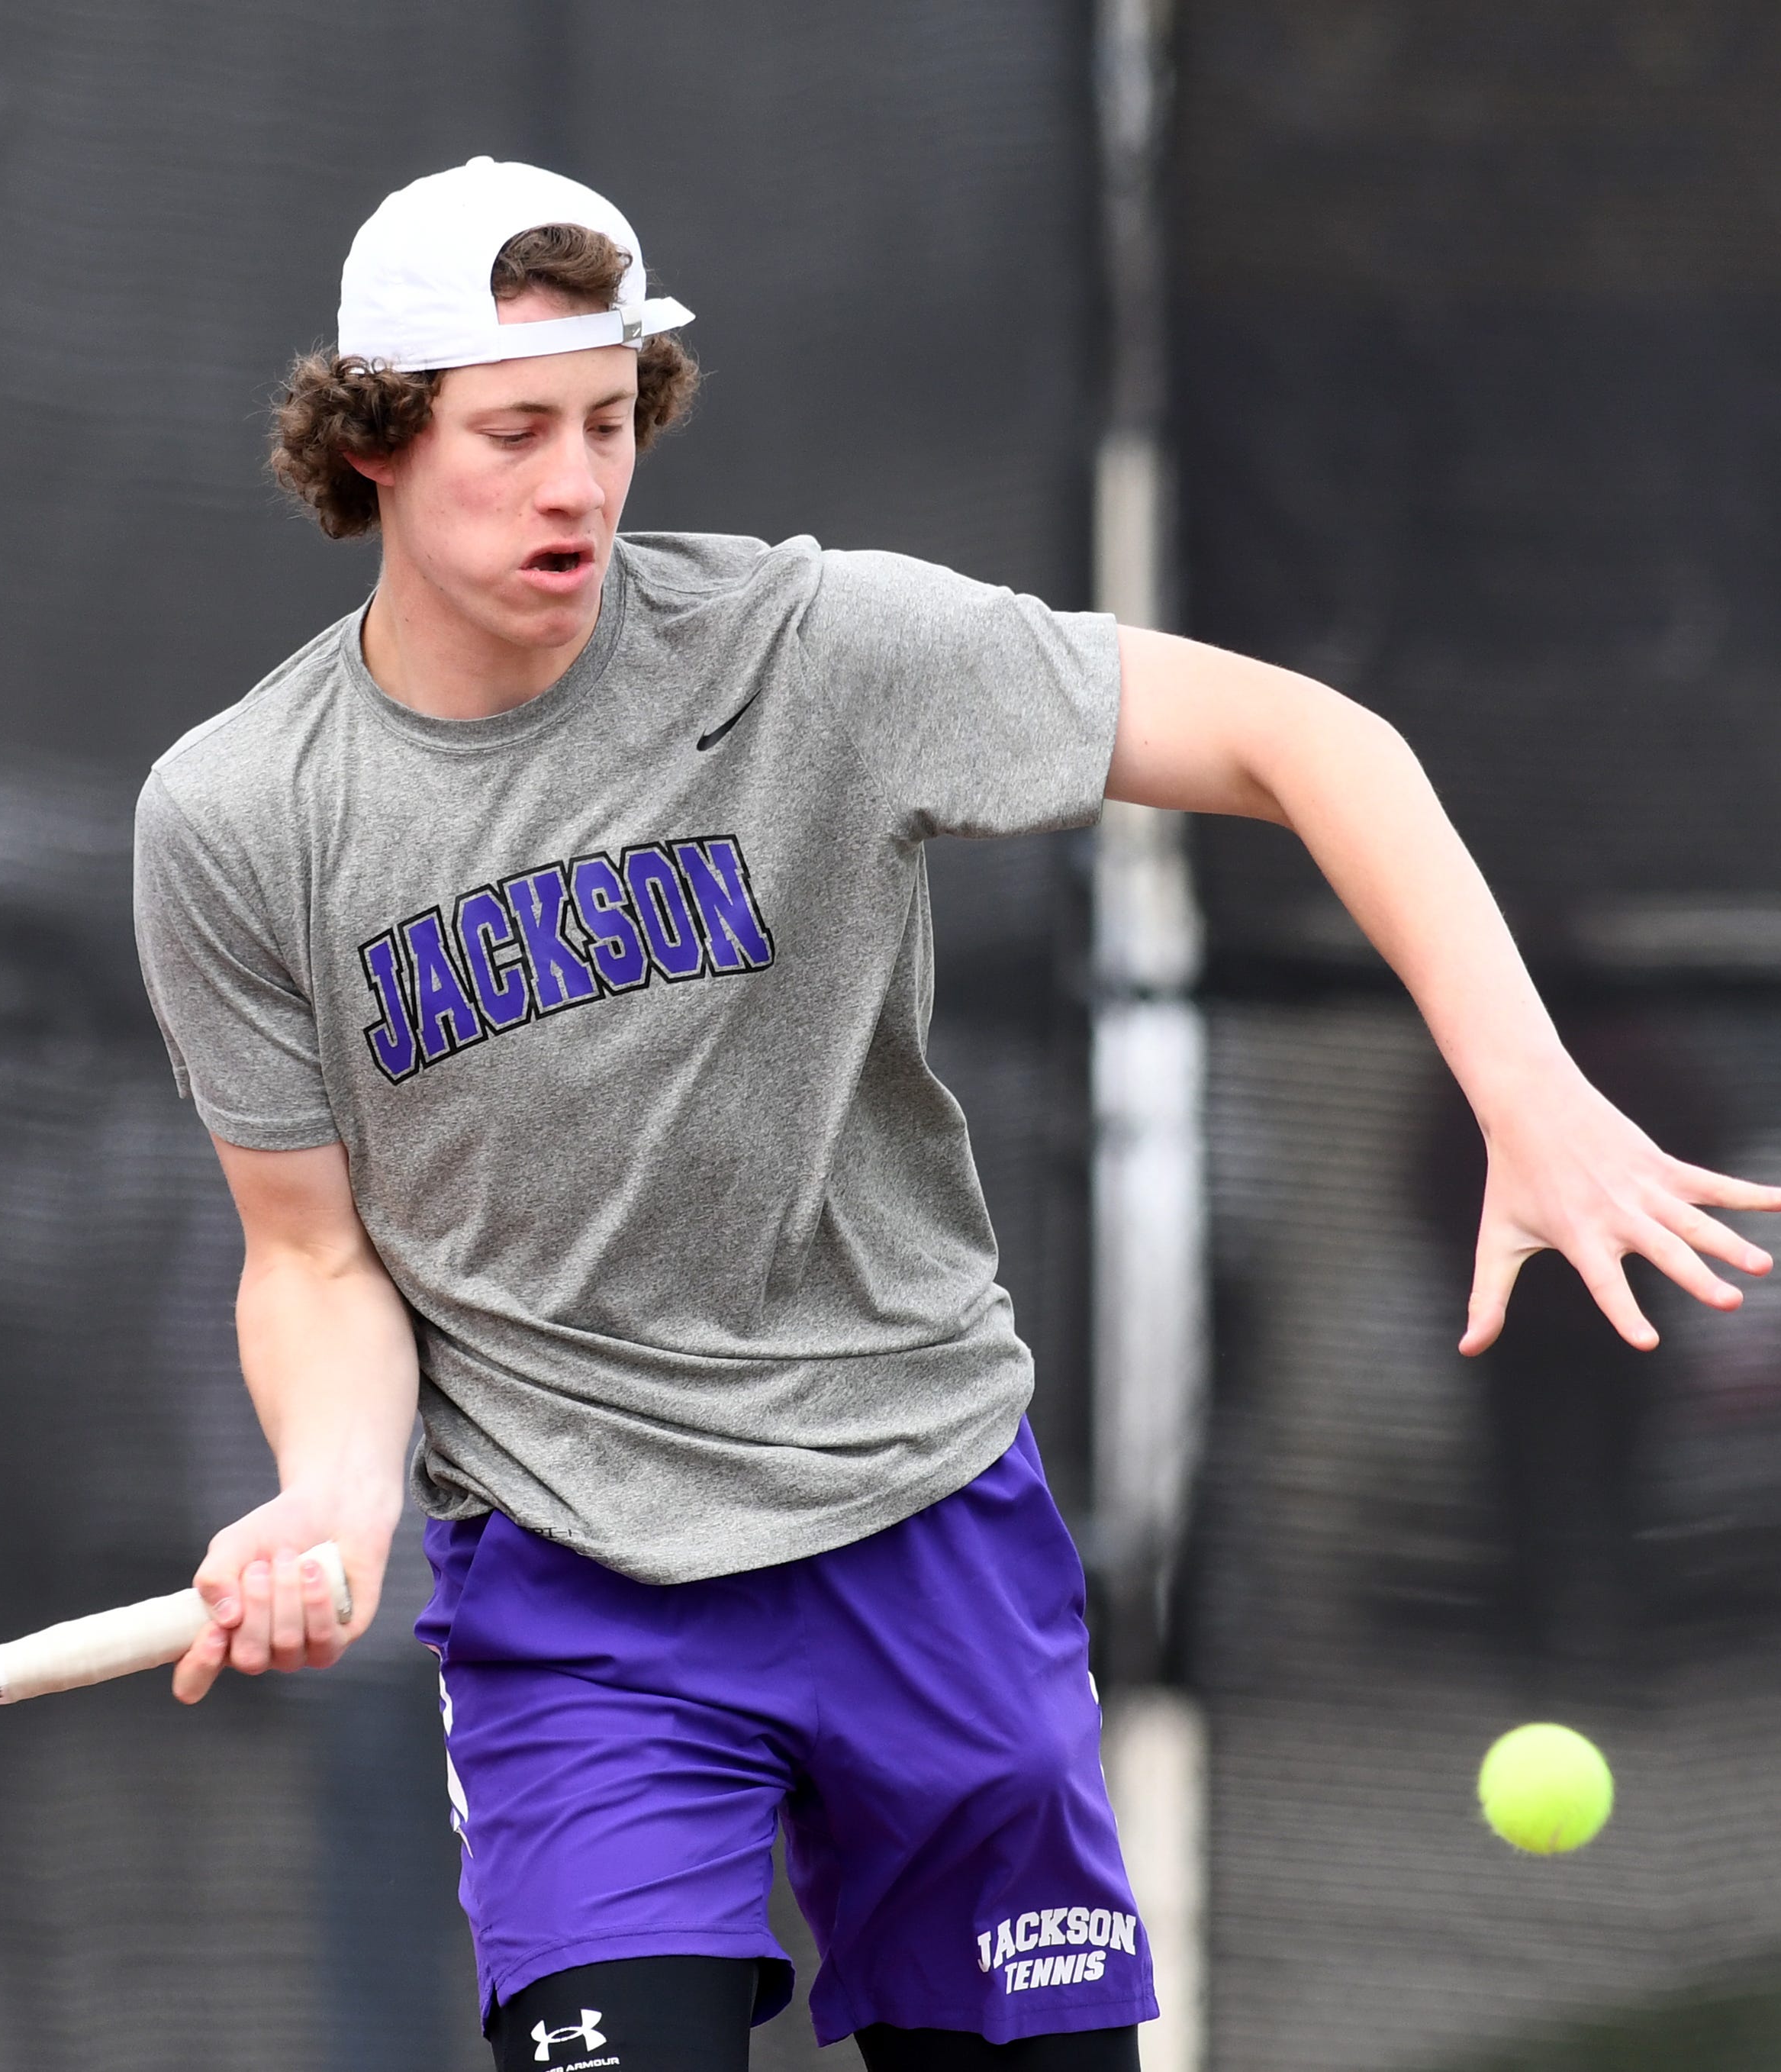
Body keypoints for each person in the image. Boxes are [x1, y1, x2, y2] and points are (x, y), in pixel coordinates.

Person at [131, 159, 1779, 2070]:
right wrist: (331, 1498)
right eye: (514, 432)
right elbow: (315, 1256)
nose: (577, 481)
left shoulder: (815, 651)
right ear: (376, 439)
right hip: (585, 1603)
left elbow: (1310, 738)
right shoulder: (240, 816)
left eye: (608, 420)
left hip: (924, 1533)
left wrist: (1529, 1089)